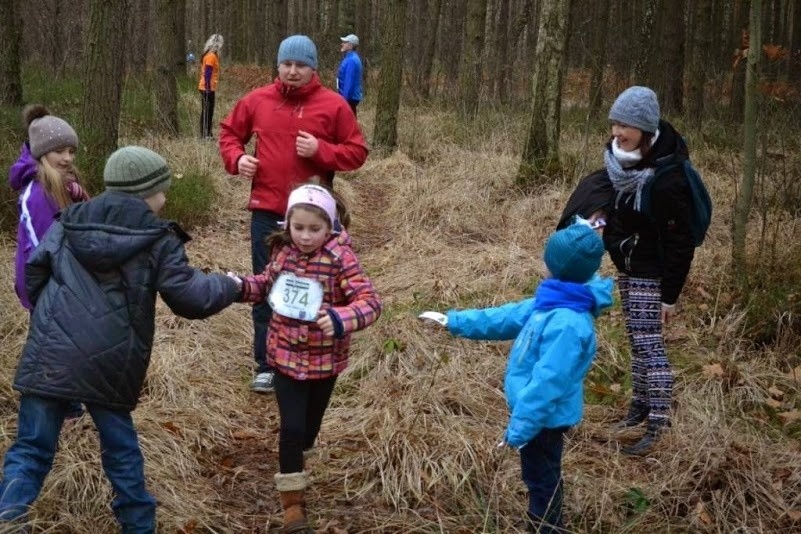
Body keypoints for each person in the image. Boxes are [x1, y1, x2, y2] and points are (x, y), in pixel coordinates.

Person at [0, 146, 240, 532]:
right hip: (108, 362)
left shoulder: (69, 220)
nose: (165, 197)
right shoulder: (157, 237)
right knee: (121, 451)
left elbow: (32, 273)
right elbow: (191, 297)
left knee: (30, 448)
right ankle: (138, 525)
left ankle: (10, 519)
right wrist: (233, 285)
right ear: (147, 192)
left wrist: (52, 318)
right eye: (163, 189)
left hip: (49, 353)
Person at [420, 221, 612, 533]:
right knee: (539, 475)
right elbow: (503, 317)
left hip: (543, 419)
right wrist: (453, 321)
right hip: (533, 414)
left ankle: (547, 528)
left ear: (556, 266)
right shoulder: (555, 299)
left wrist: (521, 428)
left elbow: (547, 384)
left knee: (542, 481)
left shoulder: (567, 323)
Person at [219, 34, 369, 394]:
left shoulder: (333, 106)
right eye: (286, 64)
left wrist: (321, 151)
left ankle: (313, 362)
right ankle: (266, 364)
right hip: (268, 213)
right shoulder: (257, 100)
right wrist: (237, 159)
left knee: (317, 288)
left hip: (316, 219)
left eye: (300, 65)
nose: (292, 71)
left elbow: (357, 152)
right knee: (267, 286)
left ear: (313, 68)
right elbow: (228, 134)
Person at [229, 183, 381, 532]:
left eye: (315, 229)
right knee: (292, 428)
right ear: (288, 224)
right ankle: (293, 507)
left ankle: (299, 460)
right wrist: (237, 287)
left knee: (309, 429)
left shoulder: (341, 259)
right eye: (298, 228)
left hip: (325, 361)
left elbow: (370, 302)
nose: (306, 236)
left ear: (330, 227)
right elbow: (264, 286)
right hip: (283, 354)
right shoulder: (283, 253)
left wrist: (342, 318)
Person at [558, 86, 697, 456]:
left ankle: (659, 422)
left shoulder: (667, 178)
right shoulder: (623, 163)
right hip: (629, 264)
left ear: (646, 130)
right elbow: (621, 208)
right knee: (637, 340)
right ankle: (639, 407)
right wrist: (601, 218)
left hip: (651, 273)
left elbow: (681, 240)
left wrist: (670, 295)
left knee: (650, 345)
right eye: (615, 123)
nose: (618, 132)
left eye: (627, 127)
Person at [8, 105, 89, 420]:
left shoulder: (60, 185)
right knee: (49, 344)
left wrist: (78, 196)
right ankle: (45, 406)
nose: (67, 158)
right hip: (45, 283)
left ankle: (64, 399)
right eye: (59, 151)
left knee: (65, 341)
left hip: (65, 281)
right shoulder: (36, 195)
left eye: (71, 150)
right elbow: (45, 245)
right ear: (42, 153)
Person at [198, 34, 223, 139]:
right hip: (207, 88)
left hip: (209, 87)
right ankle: (204, 134)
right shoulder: (211, 56)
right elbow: (208, 73)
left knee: (209, 110)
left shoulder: (212, 55)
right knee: (207, 111)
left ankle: (208, 133)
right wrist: (208, 88)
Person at [337, 33, 363, 116]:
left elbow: (349, 82)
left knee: (348, 123)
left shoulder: (351, 60)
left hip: (349, 98)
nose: (342, 44)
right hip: (349, 98)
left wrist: (344, 101)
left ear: (350, 45)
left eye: (345, 42)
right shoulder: (350, 58)